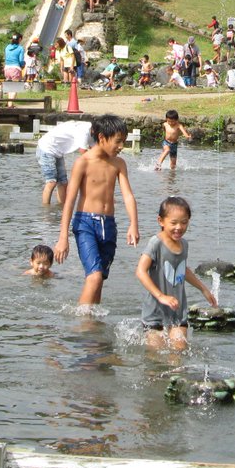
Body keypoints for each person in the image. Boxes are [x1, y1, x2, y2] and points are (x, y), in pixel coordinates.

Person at [55, 114, 140, 306]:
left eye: (123, 142)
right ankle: (82, 324)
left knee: (99, 277)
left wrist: (133, 225)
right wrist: (63, 237)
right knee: (93, 277)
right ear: (102, 137)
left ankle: (94, 325)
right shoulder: (83, 162)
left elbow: (128, 195)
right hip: (85, 223)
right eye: (118, 142)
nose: (121, 147)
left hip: (108, 225)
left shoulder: (119, 164)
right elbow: (69, 200)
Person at [136, 196, 216, 350]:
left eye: (184, 222)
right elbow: (140, 271)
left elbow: (182, 269)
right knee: (156, 356)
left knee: (179, 352)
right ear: (161, 221)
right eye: (173, 223)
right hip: (155, 312)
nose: (179, 227)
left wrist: (203, 288)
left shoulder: (184, 244)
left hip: (178, 311)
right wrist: (161, 296)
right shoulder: (156, 243)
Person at [37, 119, 93, 205]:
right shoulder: (84, 131)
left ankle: (62, 208)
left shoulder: (92, 130)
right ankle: (46, 212)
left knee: (63, 182)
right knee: (51, 182)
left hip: (57, 151)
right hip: (46, 149)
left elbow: (96, 149)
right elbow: (83, 152)